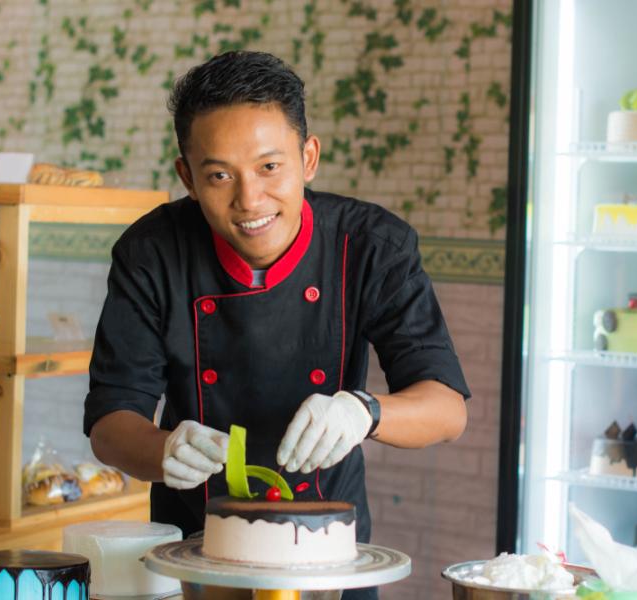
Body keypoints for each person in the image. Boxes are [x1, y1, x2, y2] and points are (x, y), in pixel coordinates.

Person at [84, 50, 469, 600]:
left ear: (308, 158)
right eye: (219, 175)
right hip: (194, 553)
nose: (249, 200)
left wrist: (364, 412)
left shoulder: (371, 247)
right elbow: (110, 421)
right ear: (187, 177)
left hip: (329, 552)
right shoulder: (152, 253)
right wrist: (164, 450)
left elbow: (447, 408)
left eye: (270, 167)